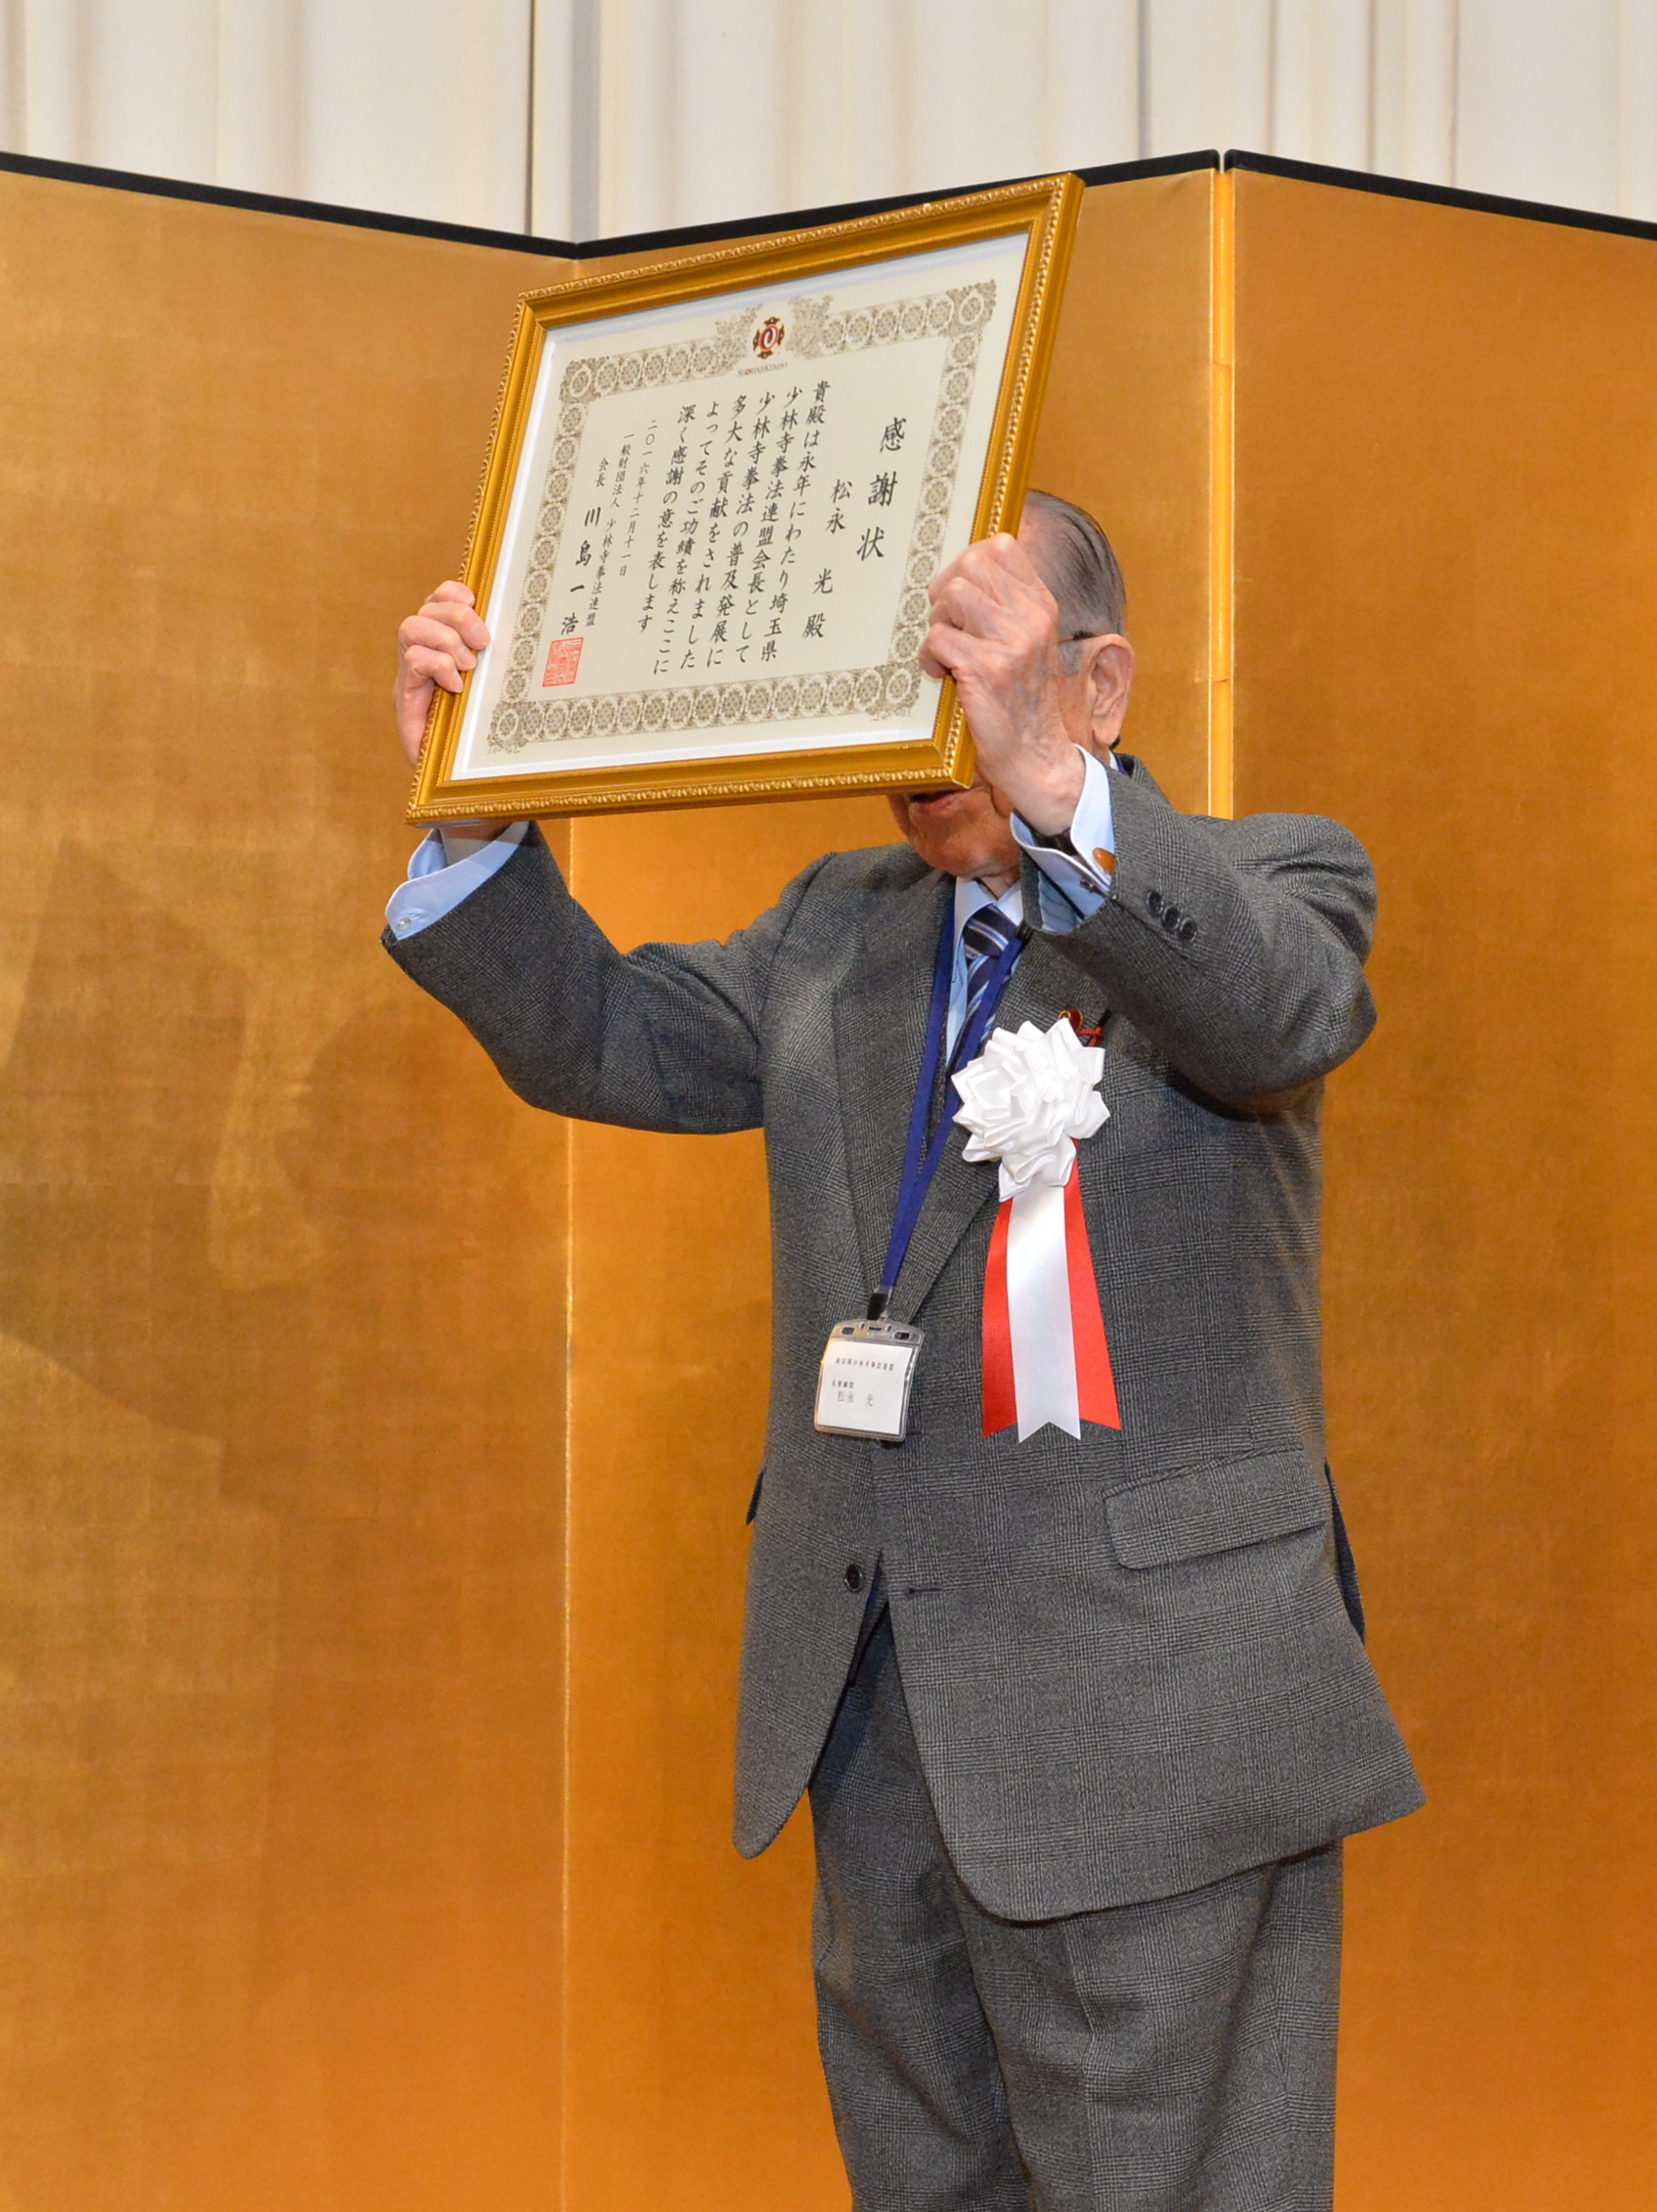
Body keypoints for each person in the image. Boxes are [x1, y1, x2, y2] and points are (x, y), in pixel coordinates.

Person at [385, 492, 1419, 2209]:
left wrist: (1053, 790)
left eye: (970, 654)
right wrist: (480, 816)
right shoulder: (835, 923)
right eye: (902, 664)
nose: (927, 710)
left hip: (1154, 1722)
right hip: (877, 1706)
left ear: (1099, 683)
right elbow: (604, 1037)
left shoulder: (1267, 878)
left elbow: (1279, 1015)